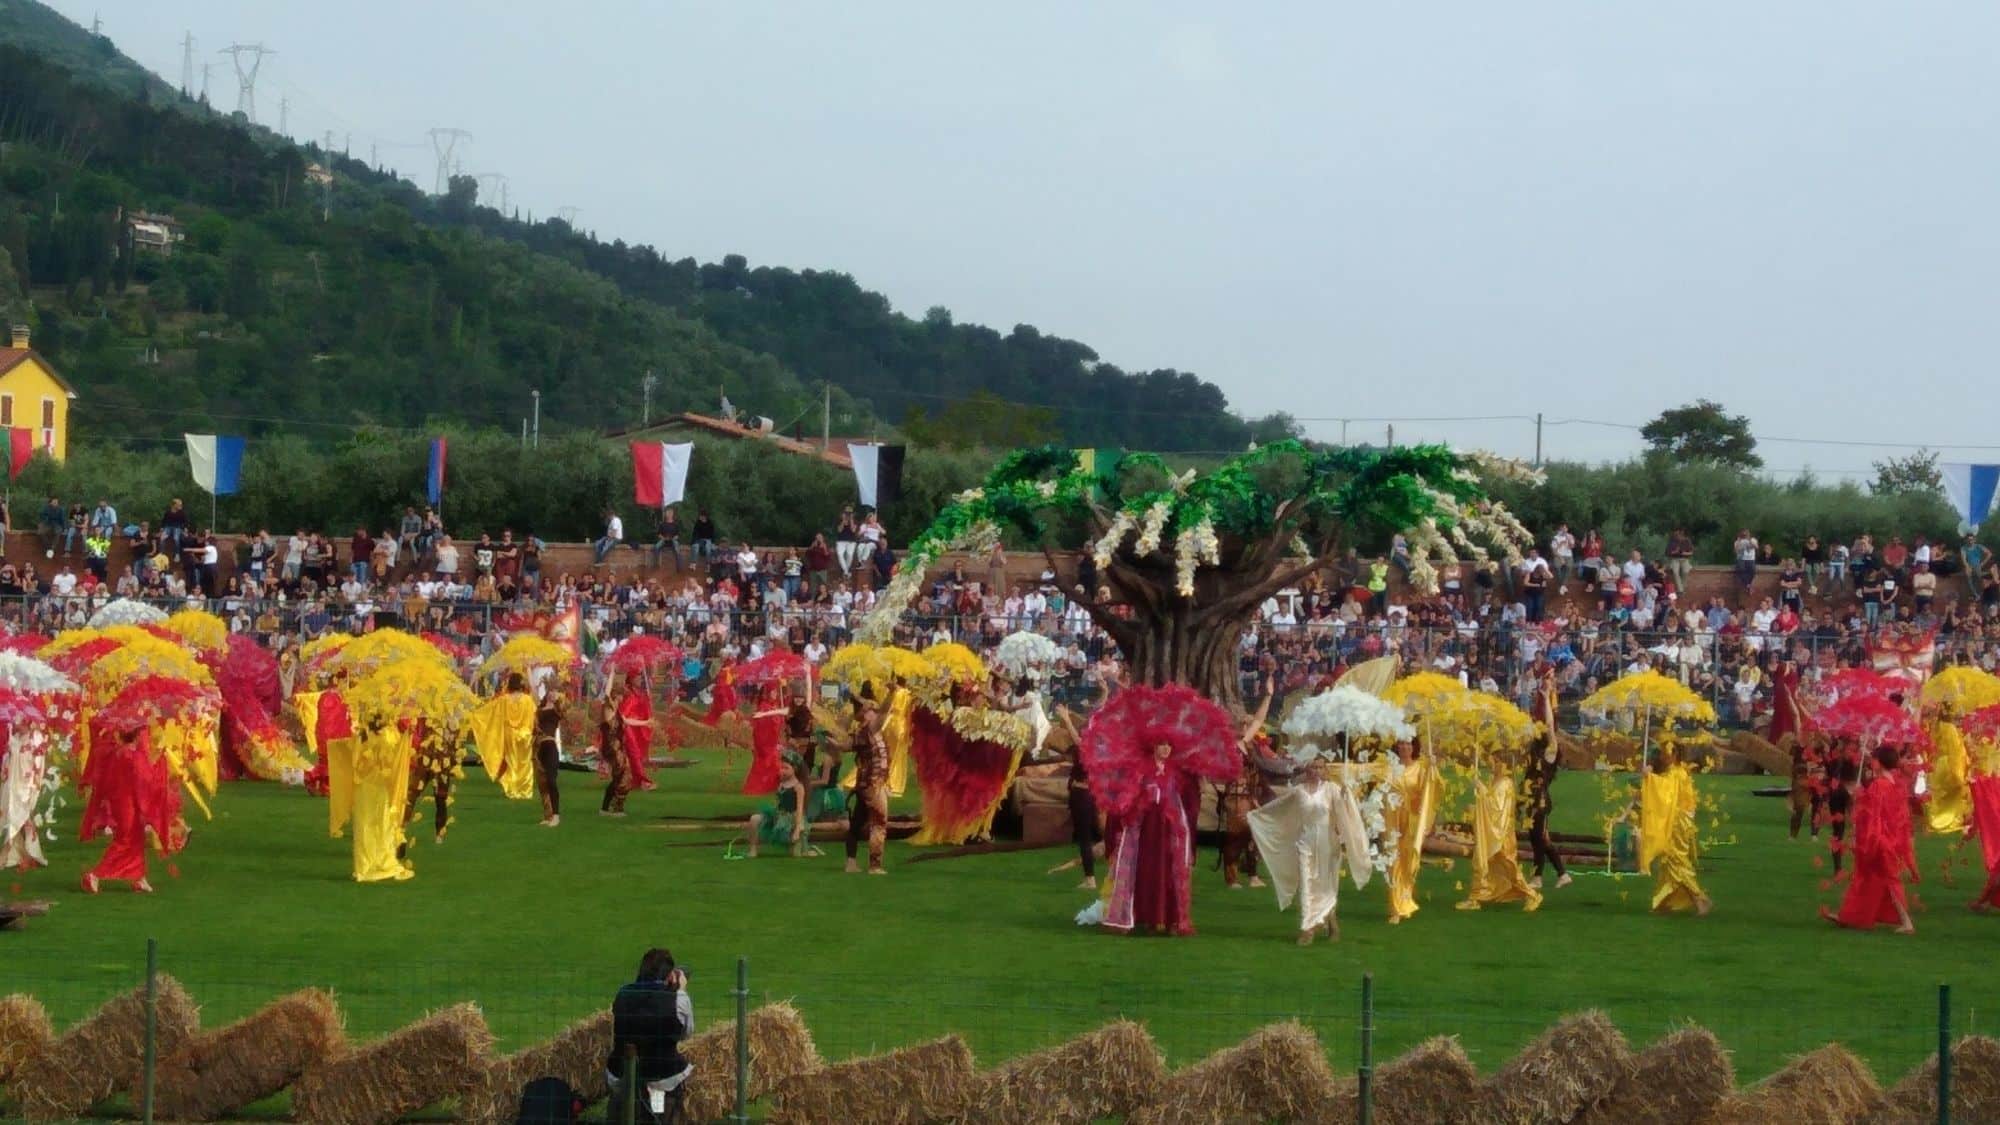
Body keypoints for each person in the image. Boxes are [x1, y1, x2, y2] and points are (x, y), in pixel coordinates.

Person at [1248, 759, 1371, 945]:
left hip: (1328, 845)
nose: (1316, 770)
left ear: (1325, 770)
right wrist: (1255, 814)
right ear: (1306, 769)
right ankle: (1307, 929)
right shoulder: (1299, 792)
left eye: (1320, 767)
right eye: (1313, 767)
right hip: (1305, 844)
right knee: (1307, 884)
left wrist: (1346, 798)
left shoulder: (1332, 790)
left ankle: (1331, 921)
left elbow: (1344, 814)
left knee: (1326, 886)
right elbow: (1279, 806)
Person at [1104, 738, 1200, 936]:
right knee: (1145, 870)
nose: (1166, 748)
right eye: (1161, 744)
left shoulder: (1177, 772)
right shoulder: (1141, 769)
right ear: (1153, 747)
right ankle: (1144, 917)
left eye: (1169, 744)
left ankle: (1169, 918)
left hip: (1169, 830)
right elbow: (1127, 797)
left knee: (1169, 871)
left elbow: (1187, 801)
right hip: (1146, 830)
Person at [78, 725, 185, 894]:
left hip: (120, 803)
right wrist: (159, 760)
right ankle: (95, 875)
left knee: (136, 839)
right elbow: (146, 778)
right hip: (129, 805)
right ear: (136, 737)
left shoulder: (117, 754)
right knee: (126, 839)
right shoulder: (132, 757)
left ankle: (139, 877)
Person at [1821, 746, 1917, 934]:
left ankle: (1907, 923)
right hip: (1890, 838)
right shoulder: (1894, 783)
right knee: (1867, 878)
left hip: (1879, 839)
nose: (1870, 762)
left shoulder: (1879, 785)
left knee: (1885, 879)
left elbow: (1873, 815)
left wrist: (1859, 800)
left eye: (1873, 759)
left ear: (1879, 763)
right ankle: (1849, 916)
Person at [605, 948, 693, 1125]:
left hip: (623, 1076)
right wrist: (680, 991)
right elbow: (686, 1033)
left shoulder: (622, 993)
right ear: (669, 976)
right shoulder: (677, 999)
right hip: (661, 1079)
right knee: (661, 1104)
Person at [1456, 754, 1542, 913]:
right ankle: (1476, 896)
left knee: (1509, 867)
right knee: (1482, 861)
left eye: (1496, 761)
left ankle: (1532, 895)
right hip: (1493, 832)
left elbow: (1496, 807)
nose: (1491, 763)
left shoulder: (1504, 783)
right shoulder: (1495, 781)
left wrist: (1480, 789)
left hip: (1500, 836)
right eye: (1493, 760)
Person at [1641, 748, 1713, 915]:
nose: (1662, 756)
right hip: (1678, 820)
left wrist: (1649, 777)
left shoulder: (1676, 773)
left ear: (1674, 755)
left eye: (1665, 753)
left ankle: (1699, 898)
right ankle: (1665, 902)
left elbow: (1664, 792)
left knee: (1675, 860)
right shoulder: (1676, 771)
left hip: (1678, 822)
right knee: (1669, 862)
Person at [1384, 737, 1442, 924]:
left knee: (1409, 863)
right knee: (1393, 862)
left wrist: (1433, 769)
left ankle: (1405, 900)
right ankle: (1395, 908)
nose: (1404, 747)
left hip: (1411, 822)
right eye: (1401, 743)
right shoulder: (1388, 767)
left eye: (1408, 743)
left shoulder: (1421, 768)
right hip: (1391, 820)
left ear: (1413, 747)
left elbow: (1432, 790)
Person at [1523, 667, 1570, 890]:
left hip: (1541, 799)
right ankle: (1556, 875)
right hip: (1531, 797)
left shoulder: (1551, 751)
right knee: (1536, 837)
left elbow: (1550, 726)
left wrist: (1546, 697)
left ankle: (1543, 876)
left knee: (1540, 837)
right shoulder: (1535, 752)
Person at [1053, 707, 1102, 890]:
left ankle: (1090, 879)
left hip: (1083, 795)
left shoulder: (1092, 749)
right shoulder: (1094, 747)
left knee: (1084, 838)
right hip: (1080, 794)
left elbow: (1079, 742)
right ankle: (1090, 877)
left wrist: (1067, 719)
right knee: (1084, 837)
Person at [472, 673, 538, 803]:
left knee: (511, 761)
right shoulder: (527, 700)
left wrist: (474, 714)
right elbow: (534, 715)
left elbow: (489, 711)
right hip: (525, 734)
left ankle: (512, 789)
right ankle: (524, 789)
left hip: (509, 734)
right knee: (524, 762)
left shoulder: (504, 700)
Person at [844, 687, 890, 875]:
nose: (876, 714)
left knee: (857, 822)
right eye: (872, 711)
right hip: (873, 785)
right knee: (879, 823)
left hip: (865, 784)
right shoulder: (870, 730)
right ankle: (875, 865)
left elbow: (844, 746)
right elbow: (885, 711)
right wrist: (892, 693)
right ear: (866, 715)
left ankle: (851, 863)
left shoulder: (862, 733)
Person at [534, 679, 565, 827]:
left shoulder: (557, 710)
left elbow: (564, 704)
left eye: (555, 692)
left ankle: (556, 815)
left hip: (551, 746)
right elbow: (534, 693)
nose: (552, 694)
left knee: (551, 781)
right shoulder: (539, 709)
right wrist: (528, 668)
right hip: (539, 748)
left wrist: (558, 696)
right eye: (550, 691)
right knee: (542, 784)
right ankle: (548, 815)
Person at [652, 506, 684, 571]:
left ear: (672, 514)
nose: (669, 514)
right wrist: (663, 538)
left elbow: (678, 535)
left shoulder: (675, 524)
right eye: (668, 512)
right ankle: (656, 564)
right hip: (664, 540)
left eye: (670, 513)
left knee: (677, 548)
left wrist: (674, 538)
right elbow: (659, 534)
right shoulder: (662, 524)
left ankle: (679, 567)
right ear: (666, 514)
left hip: (672, 540)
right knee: (656, 547)